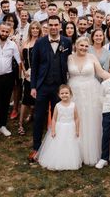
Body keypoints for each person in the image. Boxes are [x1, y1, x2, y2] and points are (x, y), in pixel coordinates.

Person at [29, 15, 72, 162]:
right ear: (47, 26)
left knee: (58, 118)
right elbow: (34, 66)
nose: (53, 27)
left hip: (59, 87)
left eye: (56, 25)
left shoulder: (67, 42)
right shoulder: (40, 42)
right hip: (42, 86)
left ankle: (56, 147)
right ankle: (36, 147)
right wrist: (33, 86)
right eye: (51, 25)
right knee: (39, 117)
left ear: (60, 26)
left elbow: (68, 62)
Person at [68, 36, 110, 165]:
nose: (84, 48)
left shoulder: (92, 58)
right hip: (73, 92)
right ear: (76, 45)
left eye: (86, 46)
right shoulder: (69, 58)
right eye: (81, 45)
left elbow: (102, 73)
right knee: (74, 118)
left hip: (91, 92)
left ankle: (92, 150)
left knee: (91, 120)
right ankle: (74, 151)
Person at [37, 84, 82, 171]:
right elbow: (54, 119)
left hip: (70, 127)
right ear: (59, 95)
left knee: (70, 145)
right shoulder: (58, 106)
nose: (64, 95)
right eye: (62, 93)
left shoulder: (73, 105)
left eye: (66, 93)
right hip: (60, 127)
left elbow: (76, 118)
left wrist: (77, 130)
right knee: (59, 144)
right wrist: (53, 130)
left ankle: (69, 161)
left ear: (70, 94)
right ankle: (58, 160)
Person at [18, 21, 41, 136]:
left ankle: (34, 117)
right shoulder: (25, 42)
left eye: (37, 28)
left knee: (37, 98)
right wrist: (24, 71)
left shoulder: (42, 42)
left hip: (38, 75)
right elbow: (21, 59)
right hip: (27, 74)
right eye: (33, 28)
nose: (35, 30)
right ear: (30, 30)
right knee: (26, 99)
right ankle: (20, 123)